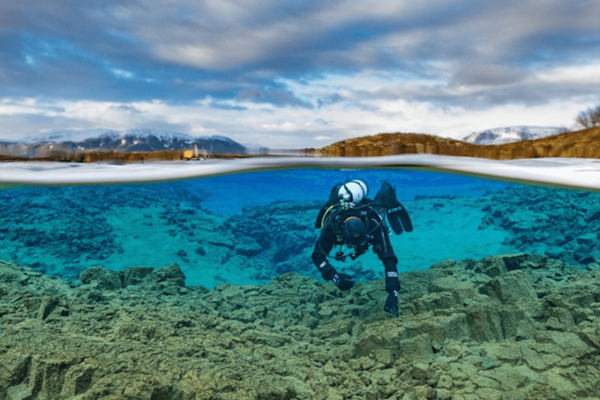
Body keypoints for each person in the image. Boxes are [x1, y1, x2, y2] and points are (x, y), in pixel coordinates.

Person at [312, 179, 412, 317]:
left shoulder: (373, 221)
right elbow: (317, 255)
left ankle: (387, 188)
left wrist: (393, 293)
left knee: (381, 201)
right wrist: (334, 276)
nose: (357, 248)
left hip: (366, 211)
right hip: (341, 206)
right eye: (353, 245)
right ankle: (339, 188)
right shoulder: (332, 225)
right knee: (334, 198)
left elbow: (388, 257)